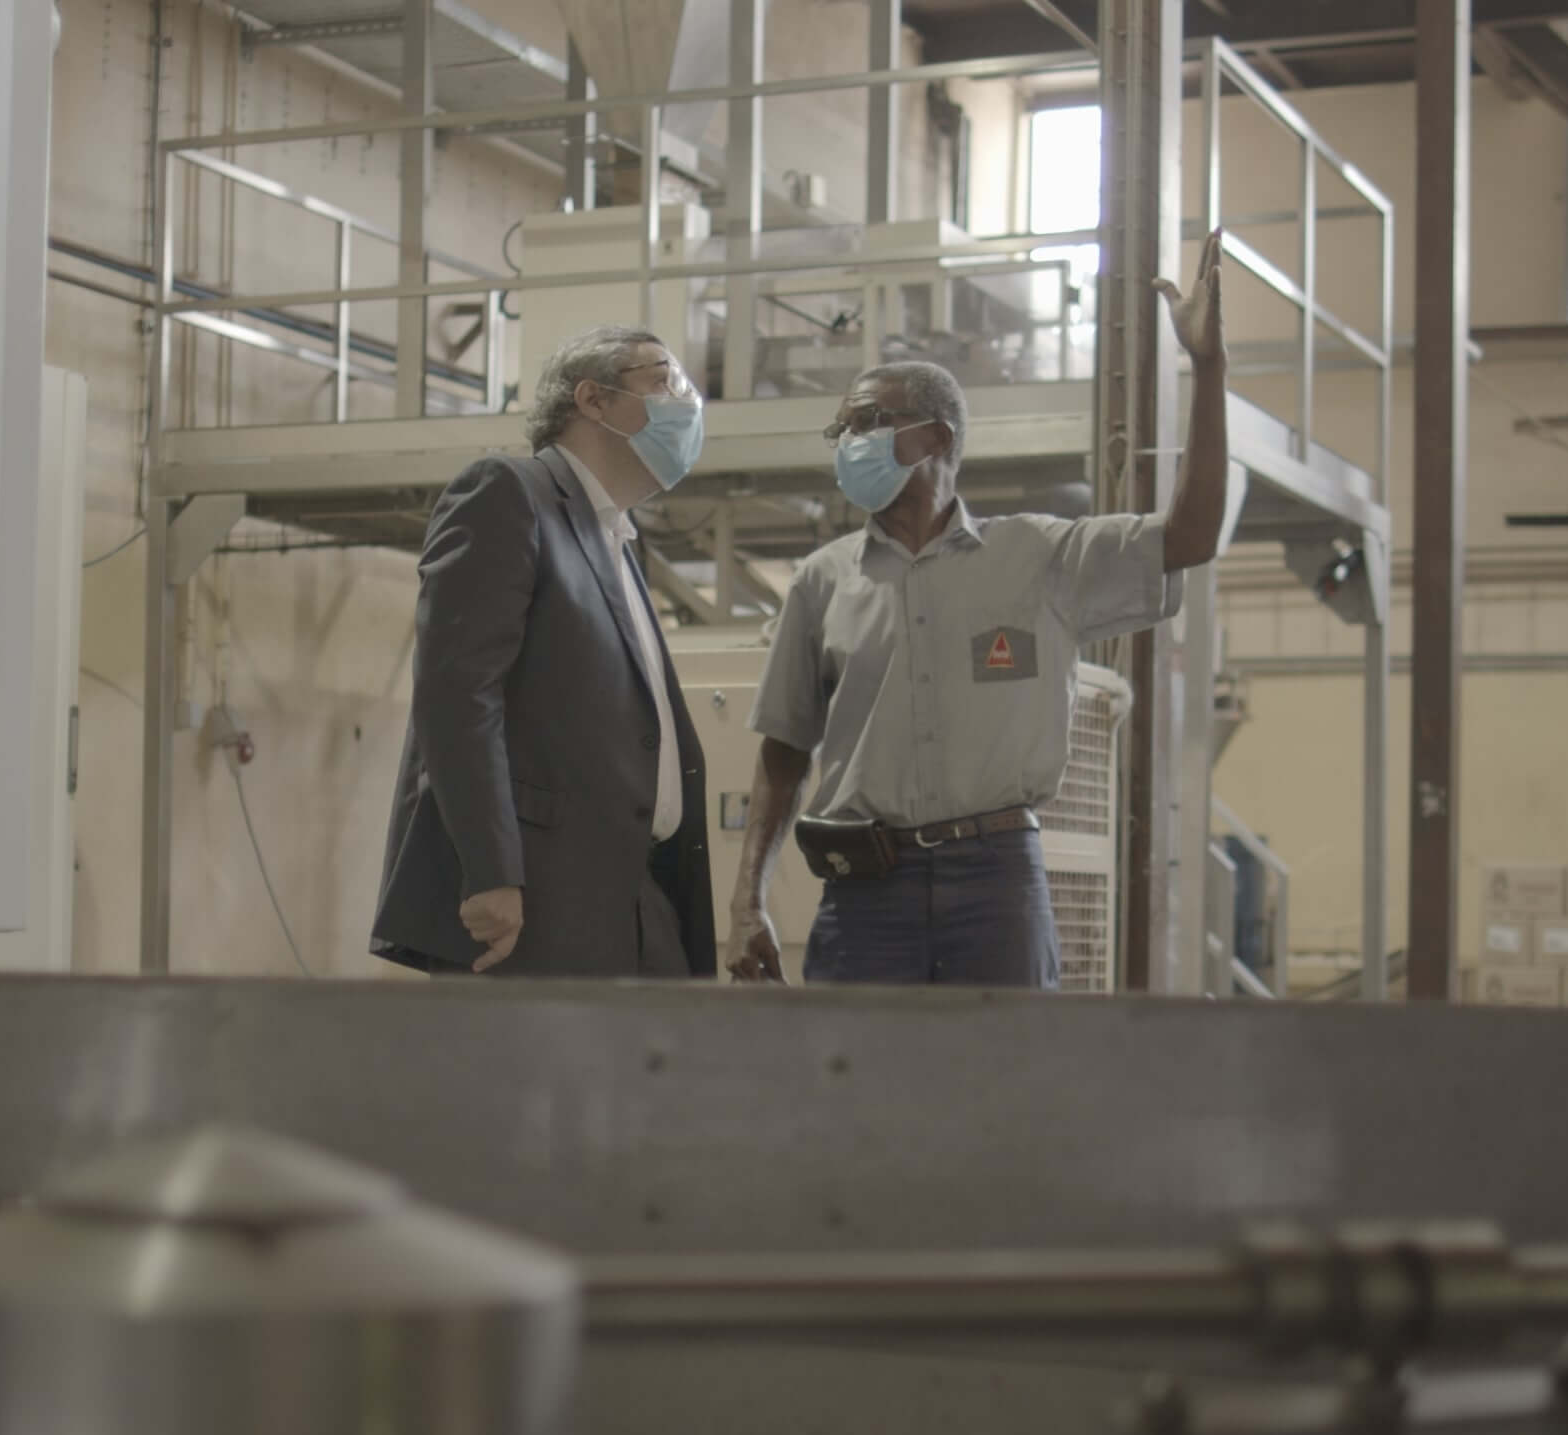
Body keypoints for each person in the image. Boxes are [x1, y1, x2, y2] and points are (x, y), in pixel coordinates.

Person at [727, 231, 1230, 989]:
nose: (848, 444)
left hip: (995, 885)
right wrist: (747, 900)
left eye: (865, 424)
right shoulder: (822, 579)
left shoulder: (1040, 558)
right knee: (848, 1090)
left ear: (935, 437)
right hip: (866, 890)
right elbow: (783, 750)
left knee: (1008, 1091)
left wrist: (1209, 368)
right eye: (842, 432)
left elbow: (1190, 535)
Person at [370, 326, 717, 978]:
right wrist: (490, 871)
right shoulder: (509, 494)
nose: (686, 403)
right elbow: (457, 694)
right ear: (592, 399)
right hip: (540, 900)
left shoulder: (617, 540)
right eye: (663, 380)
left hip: (641, 903)